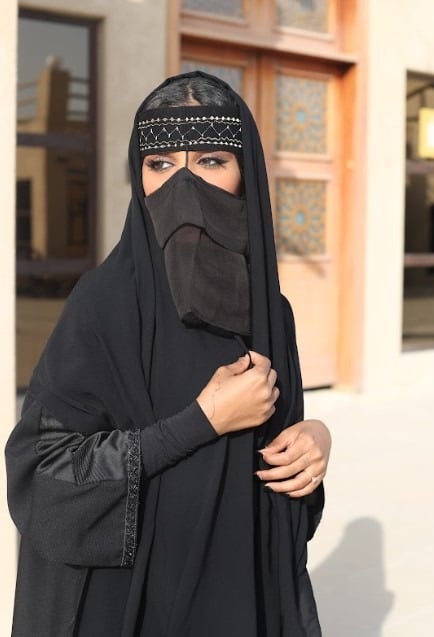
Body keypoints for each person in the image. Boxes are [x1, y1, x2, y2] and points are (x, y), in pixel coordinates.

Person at [5, 71, 331, 637]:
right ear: (139, 177)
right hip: (133, 604)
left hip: (240, 591)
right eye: (160, 164)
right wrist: (200, 422)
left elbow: (276, 477)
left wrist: (311, 442)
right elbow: (43, 473)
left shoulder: (269, 311)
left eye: (210, 161)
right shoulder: (103, 303)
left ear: (247, 174)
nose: (183, 185)